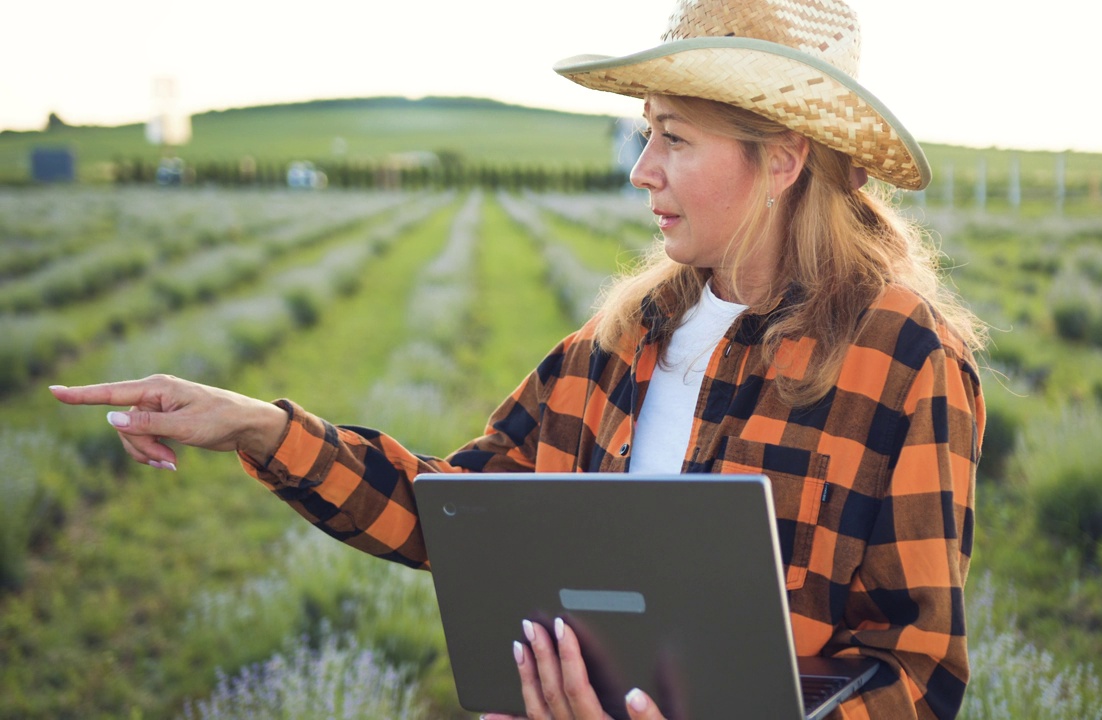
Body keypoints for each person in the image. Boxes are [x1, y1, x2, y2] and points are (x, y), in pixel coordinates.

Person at [51, 0, 986, 718]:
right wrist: (259, 426)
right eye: (644, 132)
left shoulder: (901, 355)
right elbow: (456, 514)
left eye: (673, 138)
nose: (641, 170)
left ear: (781, 161)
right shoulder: (623, 343)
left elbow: (916, 670)